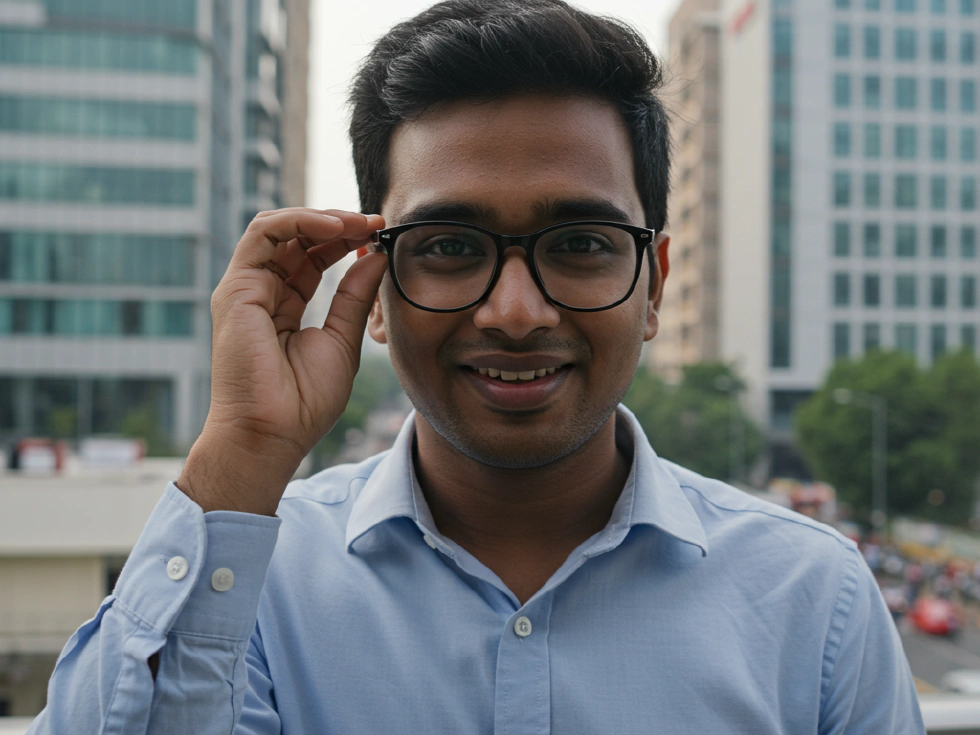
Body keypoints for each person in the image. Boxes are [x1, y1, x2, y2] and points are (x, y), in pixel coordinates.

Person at [29, 1, 924, 733]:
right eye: (452, 246)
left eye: (579, 243)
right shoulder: (252, 579)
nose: (515, 311)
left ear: (651, 286)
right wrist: (243, 447)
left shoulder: (812, 596)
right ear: (374, 288)